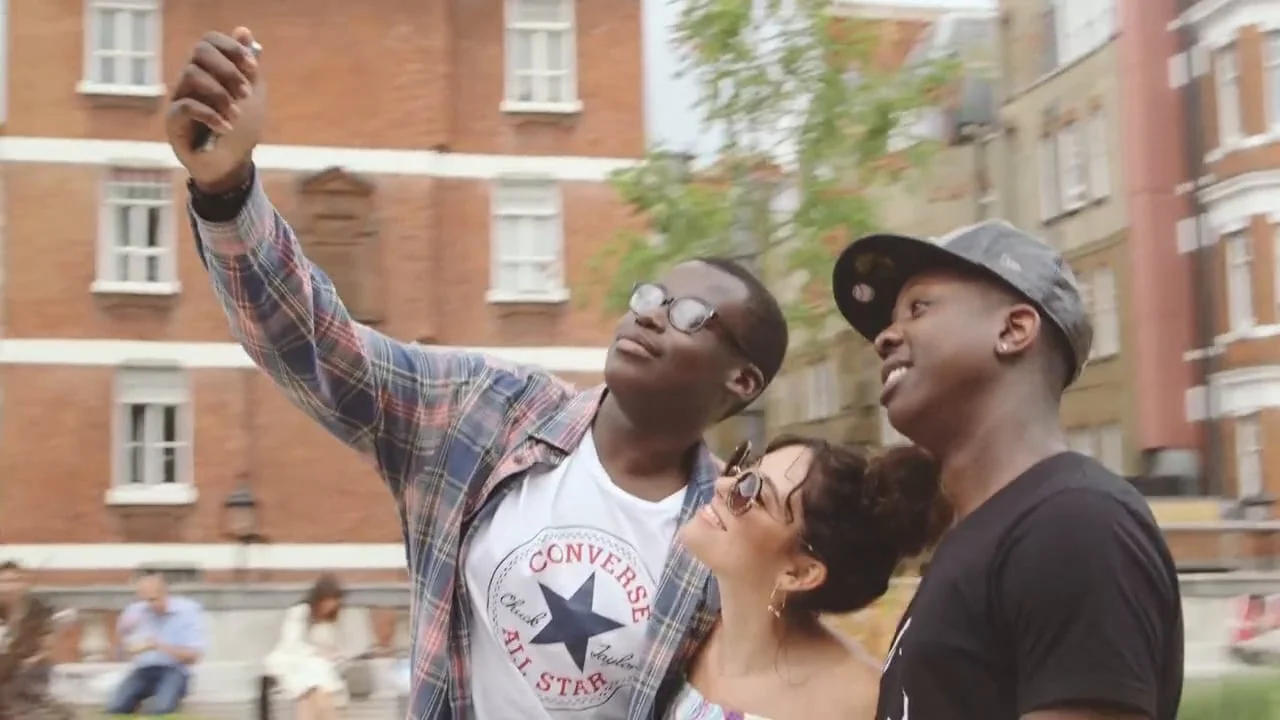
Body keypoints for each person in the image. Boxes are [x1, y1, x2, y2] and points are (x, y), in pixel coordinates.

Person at [166, 27, 789, 719]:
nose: (650, 316)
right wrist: (226, 189)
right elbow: (314, 344)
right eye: (650, 297)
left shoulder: (729, 542)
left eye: (690, 315)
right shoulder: (483, 410)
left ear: (742, 381)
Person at [830, 220, 1184, 720]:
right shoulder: (981, 534)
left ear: (1013, 330)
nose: (884, 338)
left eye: (918, 308)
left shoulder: (1075, 524)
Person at [667, 436, 948, 720]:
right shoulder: (684, 623)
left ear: (800, 573)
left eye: (753, 493)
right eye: (742, 470)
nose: (722, 485)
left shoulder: (861, 702)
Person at [105, 572, 207, 716]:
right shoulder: (136, 611)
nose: (150, 605)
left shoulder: (187, 611)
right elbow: (118, 654)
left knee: (161, 709)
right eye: (145, 600)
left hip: (174, 669)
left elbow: (194, 657)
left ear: (165, 593)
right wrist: (121, 633)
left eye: (153, 599)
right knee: (116, 707)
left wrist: (159, 646)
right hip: (143, 669)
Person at [264, 574, 350, 720]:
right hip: (293, 661)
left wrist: (333, 654)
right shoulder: (299, 612)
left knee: (314, 696)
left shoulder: (330, 621)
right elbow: (291, 643)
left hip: (319, 668)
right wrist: (316, 652)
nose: (331, 606)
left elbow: (331, 646)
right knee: (315, 685)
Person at [0, 561, 74, 720]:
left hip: (27, 674)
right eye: (4, 582)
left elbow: (48, 647)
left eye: (15, 581)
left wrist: (29, 661)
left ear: (25, 584)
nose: (9, 587)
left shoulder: (39, 611)